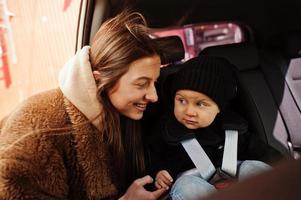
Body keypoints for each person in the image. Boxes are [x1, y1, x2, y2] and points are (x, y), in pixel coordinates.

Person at [0, 10, 167, 199]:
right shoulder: (38, 129)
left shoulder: (120, 116)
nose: (154, 96)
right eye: (141, 84)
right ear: (100, 80)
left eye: (154, 83)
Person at [146, 56, 272, 200]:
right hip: (193, 183)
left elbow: (263, 152)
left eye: (200, 104)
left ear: (219, 108)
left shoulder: (234, 128)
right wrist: (159, 173)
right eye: (181, 101)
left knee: (253, 167)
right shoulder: (166, 131)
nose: (189, 111)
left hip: (238, 184)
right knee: (187, 187)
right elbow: (153, 160)